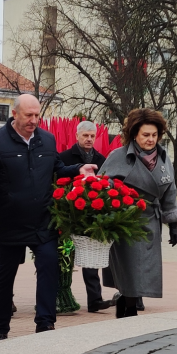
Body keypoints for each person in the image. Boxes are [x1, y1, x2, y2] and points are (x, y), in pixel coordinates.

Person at [0, 94, 96, 340]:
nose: (33, 120)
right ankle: (1, 328)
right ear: (15, 114)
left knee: (49, 267)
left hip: (42, 222)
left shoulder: (46, 140)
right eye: (28, 115)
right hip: (8, 223)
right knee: (5, 276)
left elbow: (57, 168)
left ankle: (45, 324)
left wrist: (77, 169)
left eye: (37, 115)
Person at [98, 109, 177, 318]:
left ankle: (128, 303)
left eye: (154, 135)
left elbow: (170, 191)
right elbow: (101, 185)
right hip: (125, 220)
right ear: (134, 134)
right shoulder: (118, 156)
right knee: (130, 268)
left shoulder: (163, 158)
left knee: (144, 268)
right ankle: (129, 309)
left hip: (151, 221)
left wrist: (173, 225)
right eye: (146, 135)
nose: (150, 139)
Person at [59, 120, 113, 312]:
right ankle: (62, 297)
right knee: (64, 256)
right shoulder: (65, 157)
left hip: (91, 214)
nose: (89, 139)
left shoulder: (101, 159)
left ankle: (95, 300)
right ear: (77, 136)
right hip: (66, 213)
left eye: (92, 136)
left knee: (91, 256)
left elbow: (107, 182)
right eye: (85, 135)